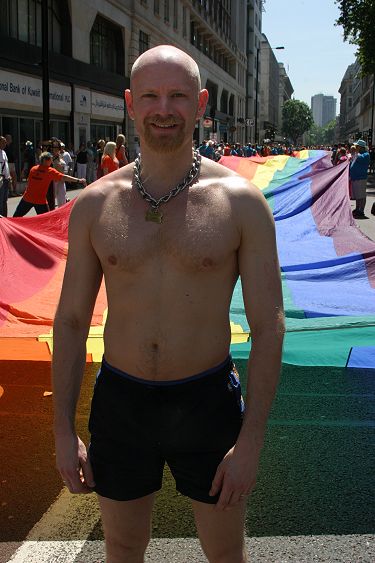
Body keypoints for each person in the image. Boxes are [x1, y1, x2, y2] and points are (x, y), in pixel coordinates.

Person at [52, 45, 284, 563]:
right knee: (123, 547)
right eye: (152, 95)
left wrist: (251, 443)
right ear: (131, 104)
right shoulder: (94, 204)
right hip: (121, 401)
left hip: (207, 401)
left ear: (200, 104)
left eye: (178, 95)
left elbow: (269, 325)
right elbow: (69, 320)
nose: (164, 108)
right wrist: (63, 431)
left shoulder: (241, 204)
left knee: (225, 553)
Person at [13, 151, 86, 216]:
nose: (51, 162)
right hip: (40, 201)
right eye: (50, 160)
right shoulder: (49, 171)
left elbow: (29, 183)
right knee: (46, 222)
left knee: (15, 218)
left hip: (27, 198)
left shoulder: (33, 169)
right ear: (45, 160)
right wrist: (79, 180)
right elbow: (64, 177)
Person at [350, 139, 370, 219]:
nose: (356, 147)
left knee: (361, 195)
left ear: (361, 147)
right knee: (357, 195)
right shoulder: (358, 154)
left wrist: (355, 152)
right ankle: (357, 208)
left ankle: (361, 210)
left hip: (361, 177)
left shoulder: (366, 154)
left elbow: (360, 158)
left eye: (357, 146)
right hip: (355, 177)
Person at [51, 140, 68, 207]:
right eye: (54, 147)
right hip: (52, 181)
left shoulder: (62, 157)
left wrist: (66, 172)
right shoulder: (50, 157)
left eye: (57, 147)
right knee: (51, 201)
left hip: (61, 181)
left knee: (62, 201)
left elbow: (66, 168)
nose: (56, 149)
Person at [0, 136, 11, 216]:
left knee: (5, 200)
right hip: (1, 178)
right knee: (1, 200)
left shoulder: (3, 152)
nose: (5, 143)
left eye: (5, 142)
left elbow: (6, 165)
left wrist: (9, 176)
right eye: (3, 142)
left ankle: (4, 218)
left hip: (6, 178)